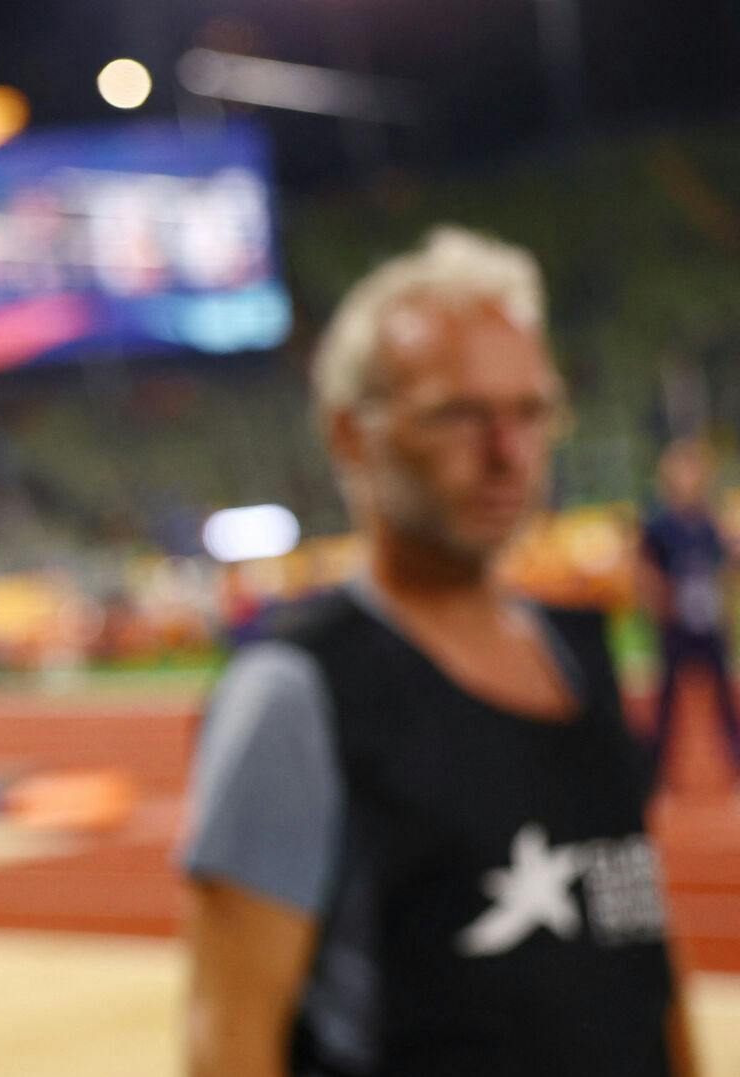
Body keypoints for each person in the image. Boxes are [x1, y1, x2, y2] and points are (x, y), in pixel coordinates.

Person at [180, 227, 694, 1076]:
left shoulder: (582, 653)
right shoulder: (296, 691)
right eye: (458, 413)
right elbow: (229, 1043)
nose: (507, 454)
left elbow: (648, 970)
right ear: (351, 435)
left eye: (532, 411)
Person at [638, 437, 740, 786]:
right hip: (676, 625)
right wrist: (658, 603)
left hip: (708, 623)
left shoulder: (708, 525)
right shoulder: (660, 526)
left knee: (723, 697)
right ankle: (655, 769)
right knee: (668, 698)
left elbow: (725, 564)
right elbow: (645, 570)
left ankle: (735, 760)